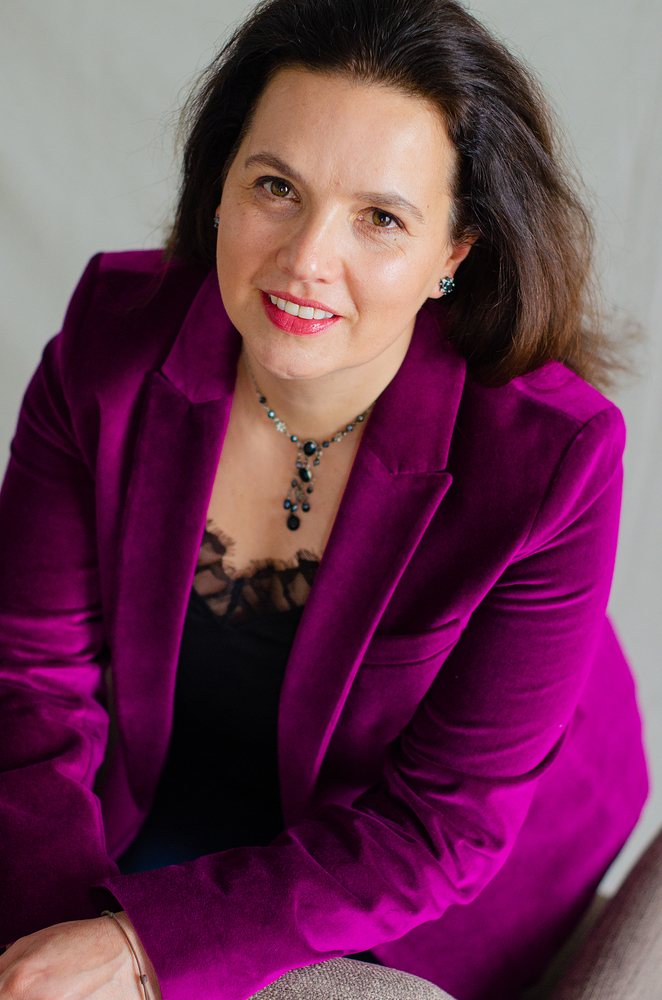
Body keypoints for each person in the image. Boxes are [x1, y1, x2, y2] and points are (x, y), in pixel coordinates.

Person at [0, 0, 648, 998]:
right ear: (221, 185)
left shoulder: (553, 458)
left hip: (412, 870)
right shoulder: (108, 342)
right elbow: (33, 678)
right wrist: (48, 937)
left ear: (453, 253)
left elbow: (439, 827)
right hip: (173, 786)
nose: (306, 259)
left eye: (379, 218)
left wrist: (139, 950)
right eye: (276, 187)